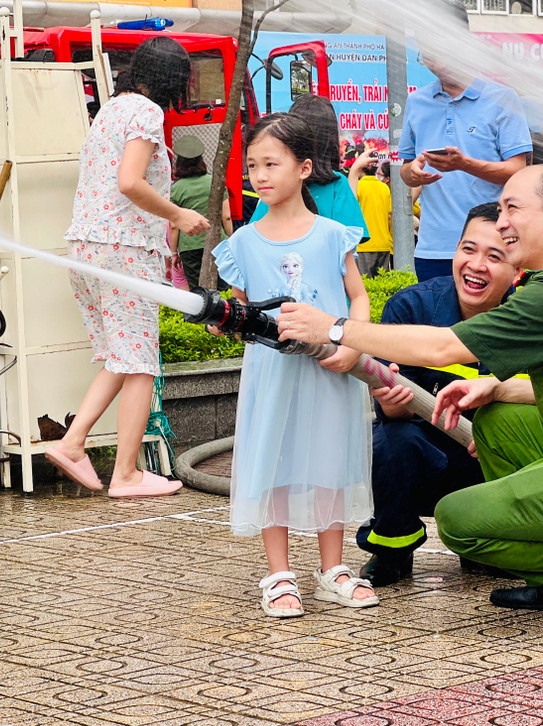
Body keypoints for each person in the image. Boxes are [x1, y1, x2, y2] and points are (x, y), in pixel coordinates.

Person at [277, 164, 543, 637]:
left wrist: (334, 328)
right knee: (498, 418)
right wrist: (497, 387)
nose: (501, 223)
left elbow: (443, 348)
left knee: (458, 521)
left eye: (512, 209)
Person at [212, 112, 377, 618]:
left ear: (304, 168)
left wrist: (353, 346)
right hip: (273, 375)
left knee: (331, 460)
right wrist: (226, 322)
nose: (260, 176)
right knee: (274, 461)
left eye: (272, 164)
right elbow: (242, 312)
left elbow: (358, 297)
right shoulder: (242, 243)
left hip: (331, 370)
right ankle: (279, 574)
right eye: (252, 166)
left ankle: (333, 569)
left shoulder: (332, 235)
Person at [48, 37, 209, 497]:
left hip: (86, 247)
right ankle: (126, 474)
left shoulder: (110, 109)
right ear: (173, 79)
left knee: (123, 358)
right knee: (140, 364)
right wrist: (177, 215)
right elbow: (130, 182)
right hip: (125, 250)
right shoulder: (147, 113)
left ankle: (73, 444)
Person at [358, 202, 521, 587]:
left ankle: (483, 543)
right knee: (391, 439)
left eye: (494, 256)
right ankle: (393, 548)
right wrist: (392, 404)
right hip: (429, 456)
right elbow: (394, 415)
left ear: (518, 270)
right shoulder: (411, 308)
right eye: (468, 249)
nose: (476, 265)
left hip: (497, 460)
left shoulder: (531, 319)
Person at [399, 0, 532, 283]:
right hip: (433, 249)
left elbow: (518, 171)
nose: (437, 64)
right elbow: (406, 170)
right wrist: (413, 173)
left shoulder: (502, 99)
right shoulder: (417, 102)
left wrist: (464, 164)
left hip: (491, 246)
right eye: (428, 56)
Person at [249, 94, 369, 243]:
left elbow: (253, 238)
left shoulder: (279, 186)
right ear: (330, 139)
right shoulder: (337, 185)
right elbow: (350, 242)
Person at [168, 135, 233, 289]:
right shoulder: (215, 182)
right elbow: (227, 217)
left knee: (199, 292)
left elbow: (173, 226)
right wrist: (231, 241)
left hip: (189, 247)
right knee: (224, 288)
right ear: (201, 160)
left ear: (179, 164)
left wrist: (174, 253)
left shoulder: (175, 189)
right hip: (218, 242)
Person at [348, 153, 393, 277]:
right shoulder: (384, 188)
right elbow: (389, 217)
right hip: (383, 244)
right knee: (382, 284)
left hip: (363, 244)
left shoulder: (357, 186)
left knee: (365, 284)